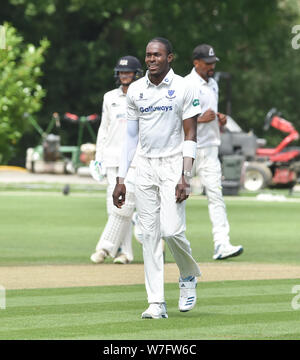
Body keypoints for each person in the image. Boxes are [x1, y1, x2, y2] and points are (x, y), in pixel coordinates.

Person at [113, 37, 201, 319]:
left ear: (170, 58)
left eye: (157, 55)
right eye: (149, 55)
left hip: (175, 165)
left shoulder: (185, 88)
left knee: (172, 230)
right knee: (148, 235)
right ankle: (156, 303)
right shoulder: (136, 91)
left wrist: (185, 175)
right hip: (145, 167)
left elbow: (191, 134)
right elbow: (129, 138)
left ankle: (188, 275)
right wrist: (120, 178)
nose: (151, 60)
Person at [185, 44, 243, 260]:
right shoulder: (186, 84)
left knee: (216, 196)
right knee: (176, 196)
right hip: (188, 149)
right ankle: (154, 232)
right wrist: (199, 119)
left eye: (213, 63)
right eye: (208, 63)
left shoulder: (214, 84)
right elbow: (174, 118)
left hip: (210, 149)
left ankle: (222, 244)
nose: (212, 66)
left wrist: (220, 119)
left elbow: (210, 114)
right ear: (196, 63)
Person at [90, 55, 143, 264]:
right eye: (121, 72)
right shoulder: (109, 97)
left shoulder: (143, 96)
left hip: (135, 159)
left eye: (128, 72)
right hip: (112, 158)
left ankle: (103, 248)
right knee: (115, 207)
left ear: (136, 74)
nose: (124, 76)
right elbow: (104, 129)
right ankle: (125, 253)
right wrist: (98, 158)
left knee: (124, 203)